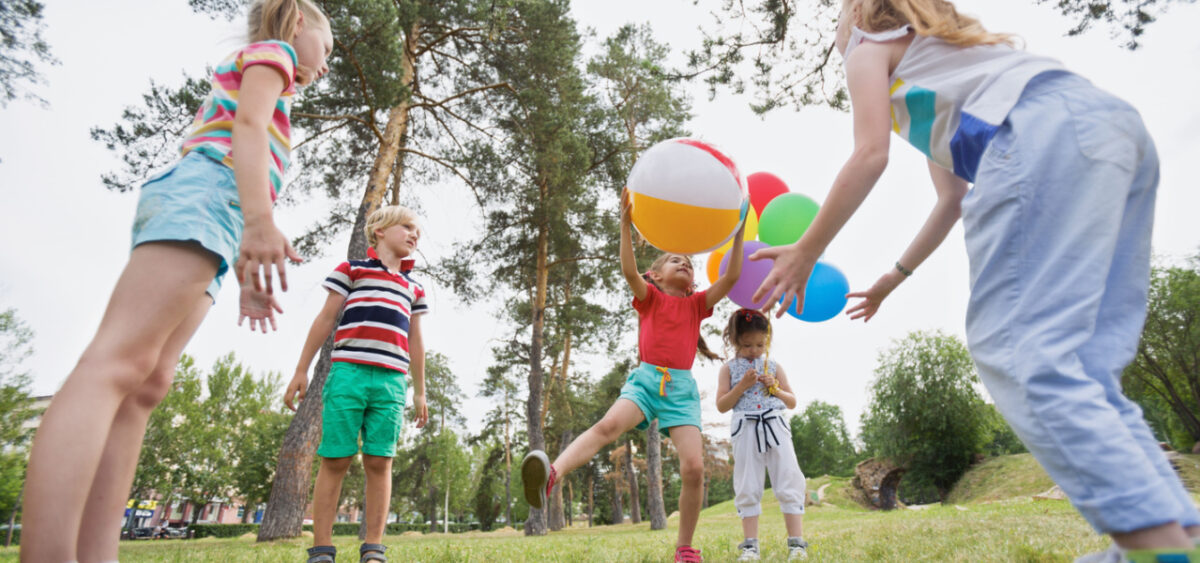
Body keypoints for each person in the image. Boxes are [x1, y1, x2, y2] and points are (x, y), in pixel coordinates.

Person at [749, 1, 1200, 561]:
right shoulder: (953, 64)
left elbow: (869, 154)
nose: (838, 33)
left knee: (1017, 349)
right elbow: (951, 201)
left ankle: (1152, 540)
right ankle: (1172, 527)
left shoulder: (867, 45)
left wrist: (807, 250)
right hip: (1114, 130)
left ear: (863, 16)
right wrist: (891, 280)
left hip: (1032, 139)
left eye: (839, 20)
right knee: (1083, 362)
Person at [19, 2, 333, 561]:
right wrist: (260, 223)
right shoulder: (276, 52)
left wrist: (245, 265)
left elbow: (244, 159)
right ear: (301, 24)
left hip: (216, 213)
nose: (326, 66)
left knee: (148, 383)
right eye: (328, 50)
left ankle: (97, 554)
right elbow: (248, 129)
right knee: (115, 363)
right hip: (203, 195)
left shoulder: (275, 73)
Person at [521, 189, 745, 563]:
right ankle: (550, 475)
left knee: (693, 467)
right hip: (645, 381)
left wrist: (737, 230)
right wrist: (625, 223)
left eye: (689, 262)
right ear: (656, 275)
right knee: (608, 427)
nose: (685, 263)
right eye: (676, 260)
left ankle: (685, 548)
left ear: (692, 283)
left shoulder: (696, 305)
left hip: (681, 389)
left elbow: (733, 275)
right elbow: (628, 269)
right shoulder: (650, 298)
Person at [284, 205, 431, 563]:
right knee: (336, 458)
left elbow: (416, 341)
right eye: (408, 227)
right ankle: (321, 549)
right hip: (347, 374)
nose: (415, 235)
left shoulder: (414, 287)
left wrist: (420, 390)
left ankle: (373, 548)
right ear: (379, 229)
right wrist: (301, 369)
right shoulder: (352, 270)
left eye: (418, 232)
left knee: (380, 460)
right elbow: (325, 318)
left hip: (392, 382)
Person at [715, 308, 807, 561]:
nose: (754, 350)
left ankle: (797, 543)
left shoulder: (774, 366)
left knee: (788, 476)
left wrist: (774, 388)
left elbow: (791, 401)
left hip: (775, 424)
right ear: (734, 342)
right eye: (747, 345)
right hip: (745, 427)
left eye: (759, 344)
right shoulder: (728, 369)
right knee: (747, 482)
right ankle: (750, 545)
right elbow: (722, 405)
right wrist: (742, 386)